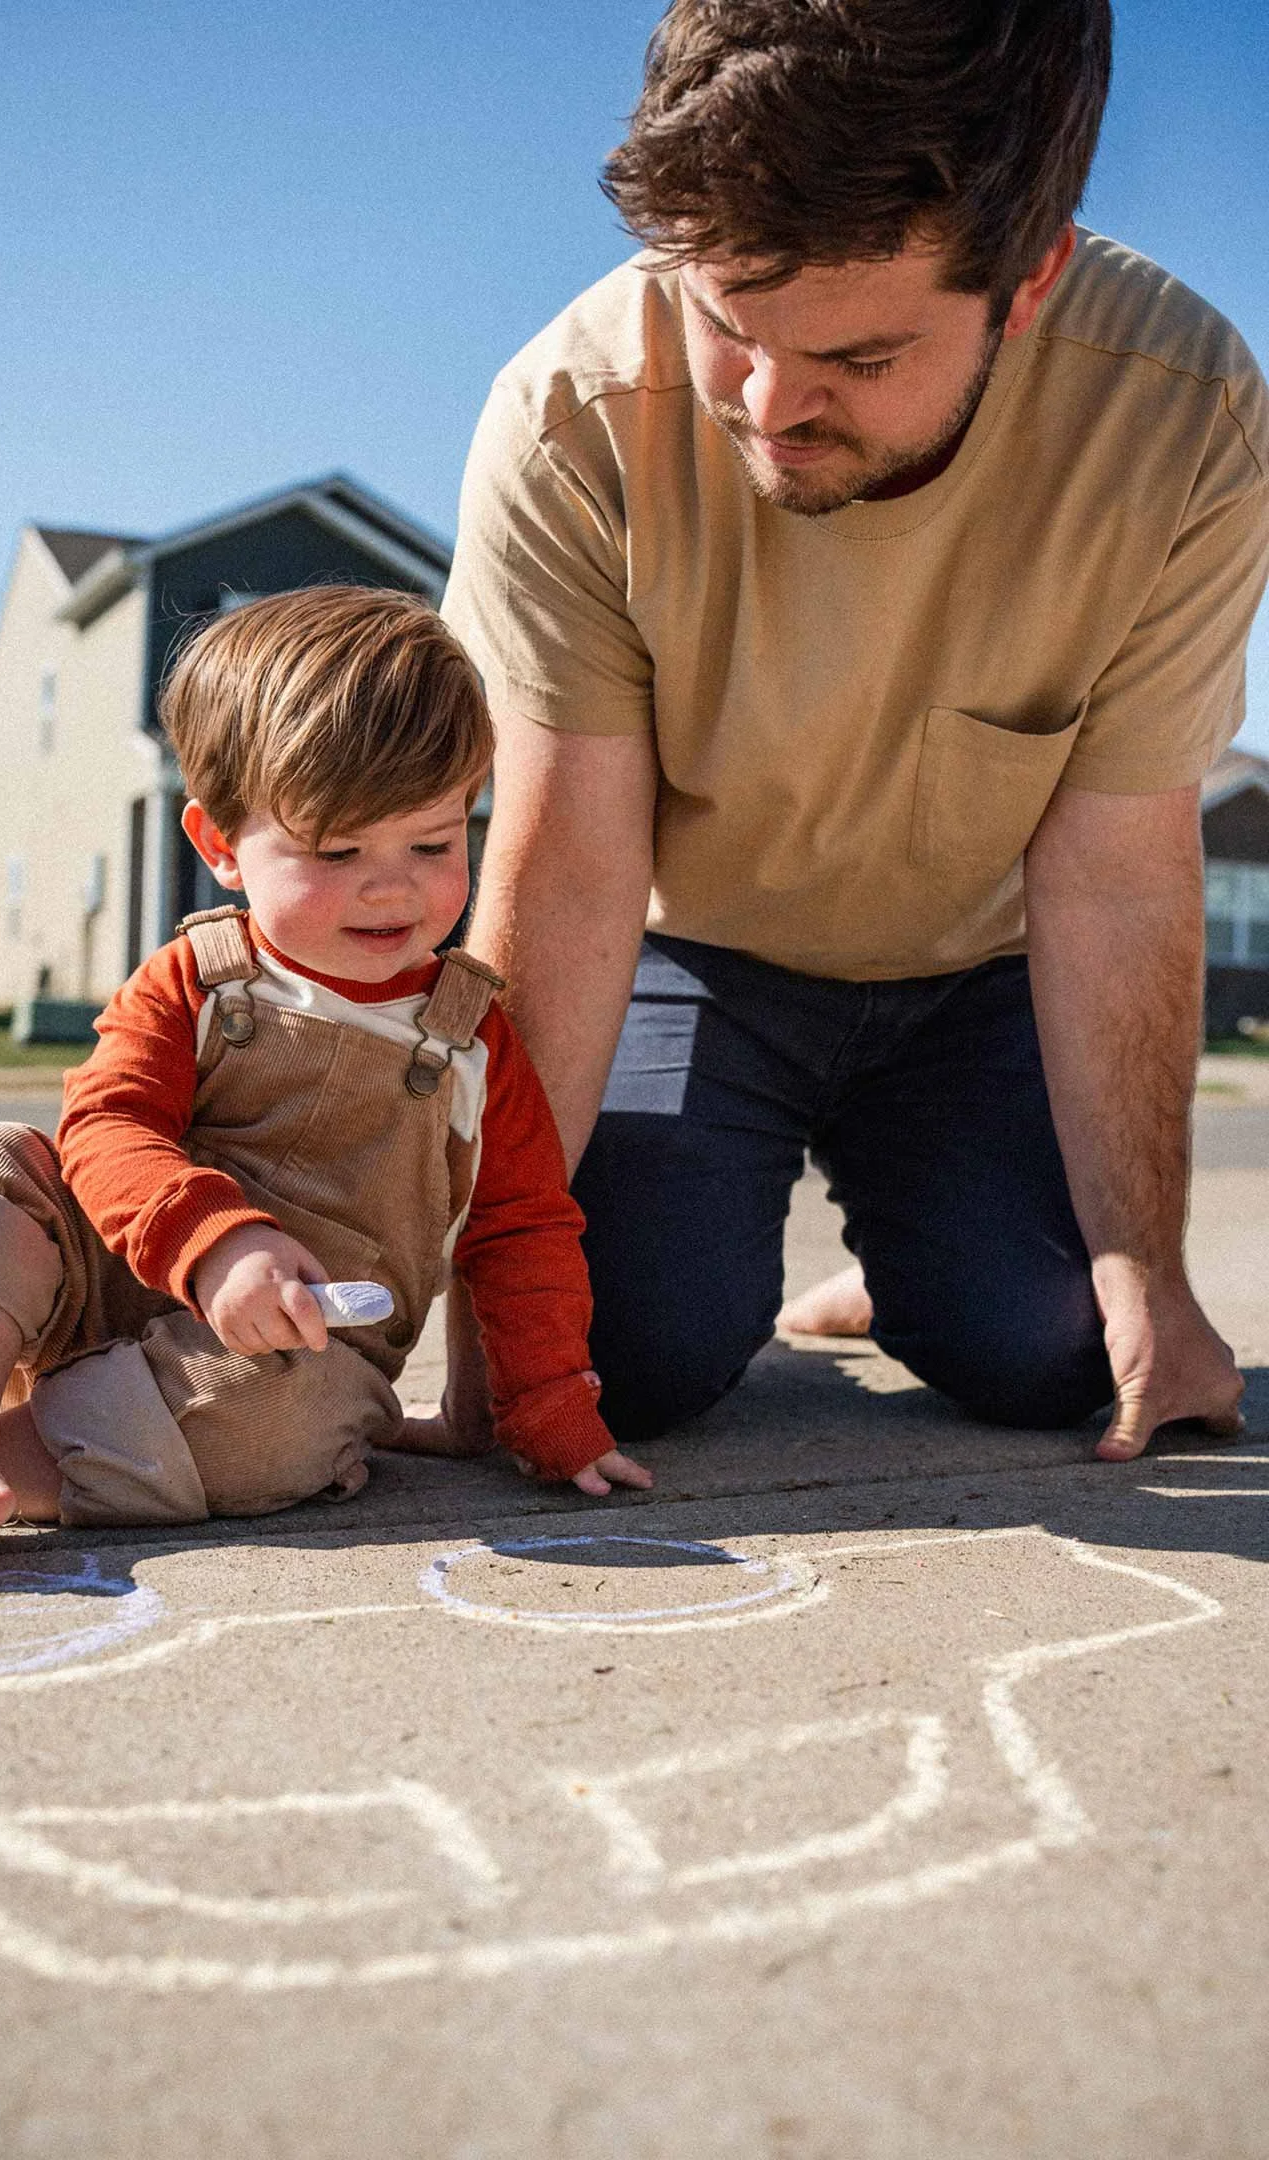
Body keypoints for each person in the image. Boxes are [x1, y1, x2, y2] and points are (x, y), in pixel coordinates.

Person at [440, 0, 1268, 1465]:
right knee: (613, 1346)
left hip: (978, 980)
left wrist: (1154, 1274)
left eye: (860, 358)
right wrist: (487, 1296)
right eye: (724, 326)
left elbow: (1124, 872)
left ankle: (921, 1262)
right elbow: (563, 870)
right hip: (692, 961)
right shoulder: (571, 417)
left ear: (1030, 280)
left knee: (1050, 1347)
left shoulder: (1185, 421)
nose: (770, 406)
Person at [0, 587, 649, 1575]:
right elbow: (107, 1127)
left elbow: (521, 1229)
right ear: (222, 845)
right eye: (338, 851)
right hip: (110, 1278)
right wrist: (215, 1241)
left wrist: (552, 1408)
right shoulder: (198, 981)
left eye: (432, 843)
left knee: (282, 1432)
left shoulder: (471, 1037)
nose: (391, 884)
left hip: (292, 1351)